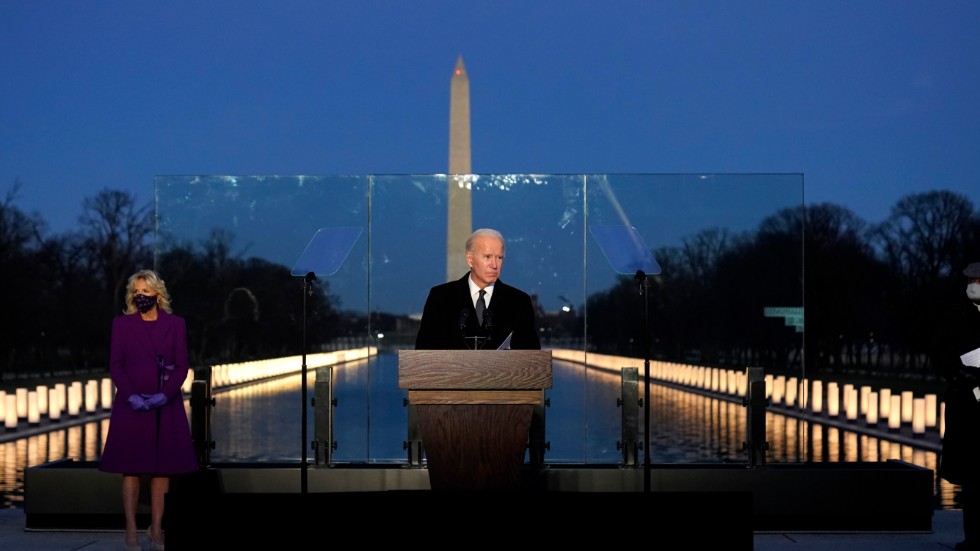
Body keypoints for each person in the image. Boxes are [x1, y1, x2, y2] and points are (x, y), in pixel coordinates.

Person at [100, 269, 198, 551]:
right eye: (136, 292)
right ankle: (130, 531)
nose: (140, 296)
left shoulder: (176, 324)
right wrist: (130, 396)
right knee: (130, 469)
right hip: (131, 405)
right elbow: (115, 365)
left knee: (161, 469)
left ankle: (156, 529)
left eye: (145, 291)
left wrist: (163, 396)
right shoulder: (122, 325)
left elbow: (182, 366)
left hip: (164, 406)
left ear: (157, 293)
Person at [415, 228, 540, 350]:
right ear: (470, 259)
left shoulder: (519, 302)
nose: (494, 265)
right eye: (487, 257)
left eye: (499, 257)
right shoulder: (440, 298)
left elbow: (533, 359)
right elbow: (422, 353)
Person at [937, 261, 980, 551]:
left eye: (978, 280)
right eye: (971, 279)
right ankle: (973, 538)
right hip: (967, 404)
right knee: (972, 478)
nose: (973, 284)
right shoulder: (953, 316)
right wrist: (961, 375)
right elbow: (941, 353)